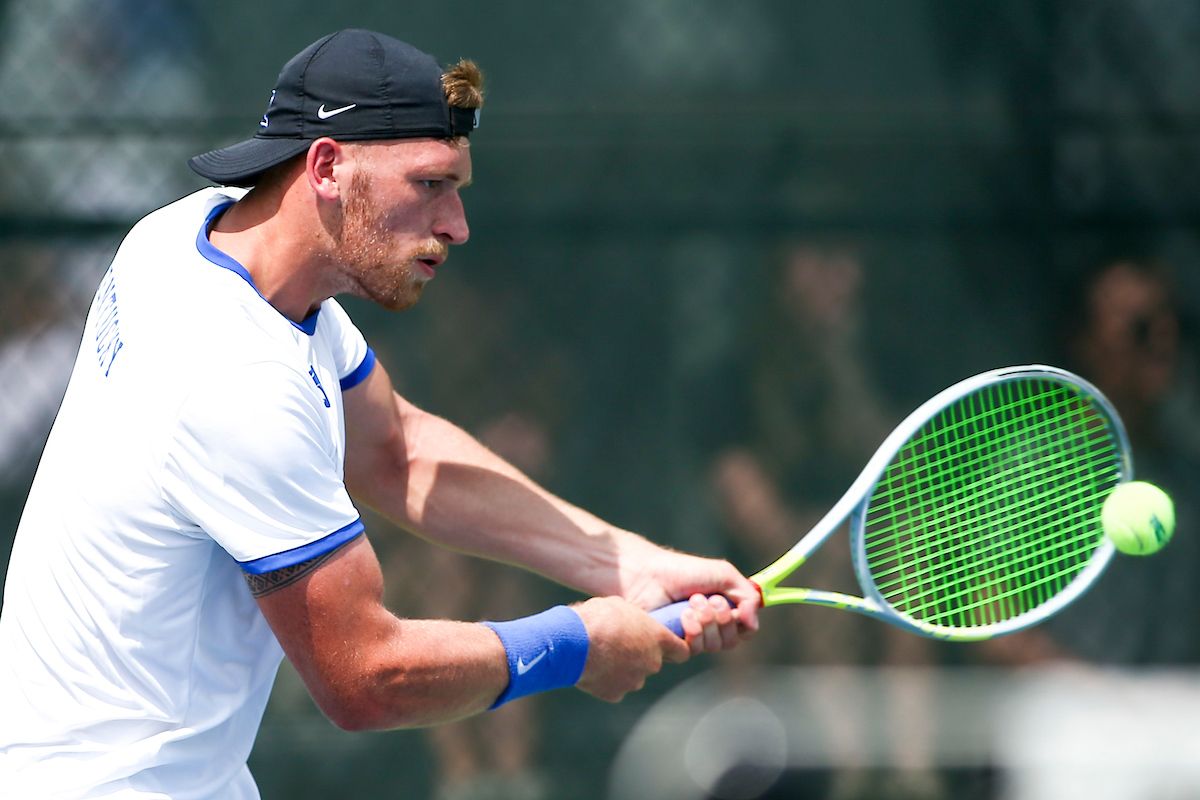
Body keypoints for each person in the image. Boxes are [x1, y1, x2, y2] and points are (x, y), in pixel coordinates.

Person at [0, 30, 759, 800]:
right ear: (327, 167)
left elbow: (397, 454)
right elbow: (365, 675)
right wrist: (577, 643)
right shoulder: (232, 379)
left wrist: (630, 565)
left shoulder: (187, 236)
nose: (457, 224)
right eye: (429, 184)